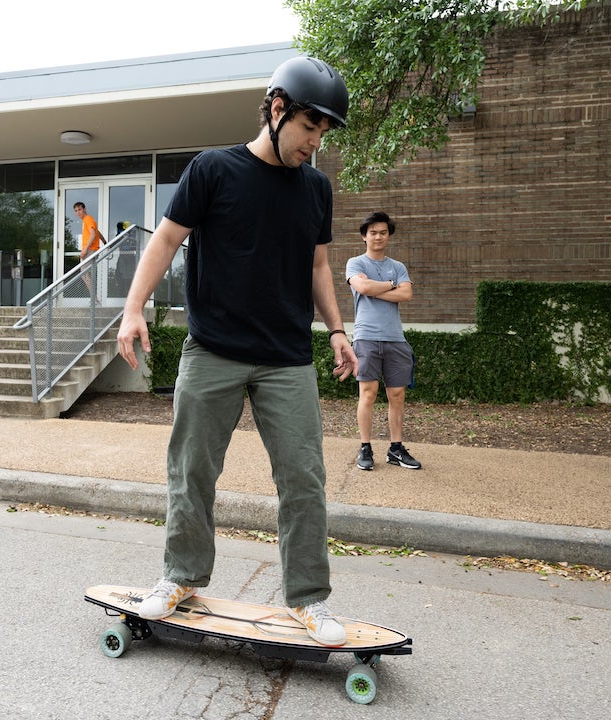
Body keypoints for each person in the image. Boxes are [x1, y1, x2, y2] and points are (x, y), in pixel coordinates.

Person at [115, 56, 357, 646]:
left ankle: (308, 599)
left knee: (303, 478)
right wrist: (132, 309)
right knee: (192, 471)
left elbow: (318, 264)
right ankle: (180, 577)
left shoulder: (315, 188)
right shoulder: (213, 171)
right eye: (308, 127)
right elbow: (167, 240)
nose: (314, 143)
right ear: (277, 109)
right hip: (213, 350)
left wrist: (336, 329)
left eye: (323, 132)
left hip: (286, 358)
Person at [345, 211, 421, 471]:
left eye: (383, 232)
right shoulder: (355, 263)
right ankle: (365, 448)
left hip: (395, 339)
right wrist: (391, 286)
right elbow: (363, 289)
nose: (378, 236)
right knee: (368, 393)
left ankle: (396, 448)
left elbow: (407, 293)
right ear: (364, 236)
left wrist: (379, 286)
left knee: (397, 395)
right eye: (373, 232)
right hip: (366, 337)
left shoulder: (397, 266)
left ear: (388, 236)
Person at [74, 202, 106, 296]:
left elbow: (92, 234)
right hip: (91, 249)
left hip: (90, 250)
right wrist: (104, 242)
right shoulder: (88, 220)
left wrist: (85, 250)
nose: (78, 212)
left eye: (79, 209)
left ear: (84, 209)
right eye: (76, 211)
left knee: (84, 273)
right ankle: (94, 298)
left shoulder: (88, 219)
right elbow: (97, 232)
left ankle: (94, 298)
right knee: (87, 274)